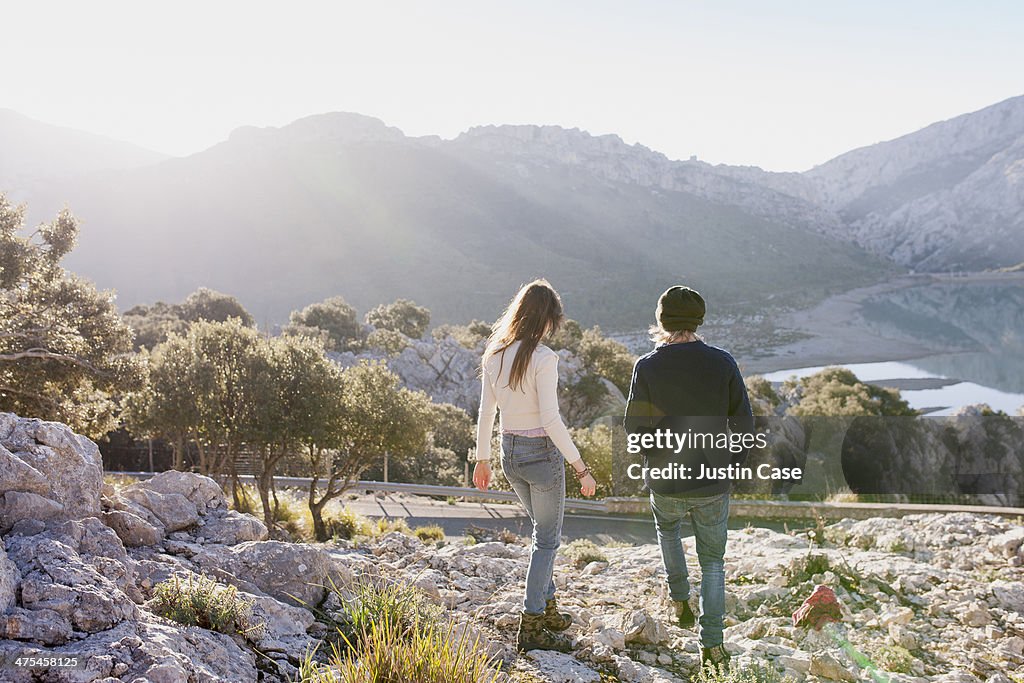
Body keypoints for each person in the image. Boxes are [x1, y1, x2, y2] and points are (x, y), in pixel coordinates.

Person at [623, 285, 753, 672]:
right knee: (713, 563)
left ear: (661, 322)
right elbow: (743, 423)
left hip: (665, 478)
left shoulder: (646, 366)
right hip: (712, 478)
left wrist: (654, 457)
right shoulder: (722, 362)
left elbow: (635, 428)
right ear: (699, 320)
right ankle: (712, 646)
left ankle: (679, 598)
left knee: (667, 532)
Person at [473, 279, 597, 653]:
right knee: (547, 540)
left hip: (509, 453)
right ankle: (531, 623)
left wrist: (483, 459)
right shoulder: (544, 359)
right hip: (542, 455)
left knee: (544, 533)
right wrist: (581, 468)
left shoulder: (494, 354)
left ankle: (547, 606)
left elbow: (485, 413)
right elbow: (551, 419)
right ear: (548, 320)